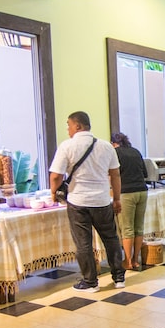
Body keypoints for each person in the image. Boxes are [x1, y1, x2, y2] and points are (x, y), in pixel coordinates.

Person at [49, 111, 125, 292]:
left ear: (78, 126)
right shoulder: (106, 146)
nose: (67, 129)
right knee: (111, 239)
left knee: (83, 243)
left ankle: (90, 282)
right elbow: (115, 175)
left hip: (78, 202)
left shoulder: (67, 146)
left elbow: (56, 176)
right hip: (102, 201)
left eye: (68, 125)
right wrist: (116, 199)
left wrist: (53, 192)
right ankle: (119, 278)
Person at [111, 132, 148, 271]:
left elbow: (113, 174)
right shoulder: (136, 151)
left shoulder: (115, 153)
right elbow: (145, 173)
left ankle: (127, 261)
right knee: (139, 227)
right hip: (142, 191)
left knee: (127, 229)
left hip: (126, 193)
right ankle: (135, 260)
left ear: (114, 143)